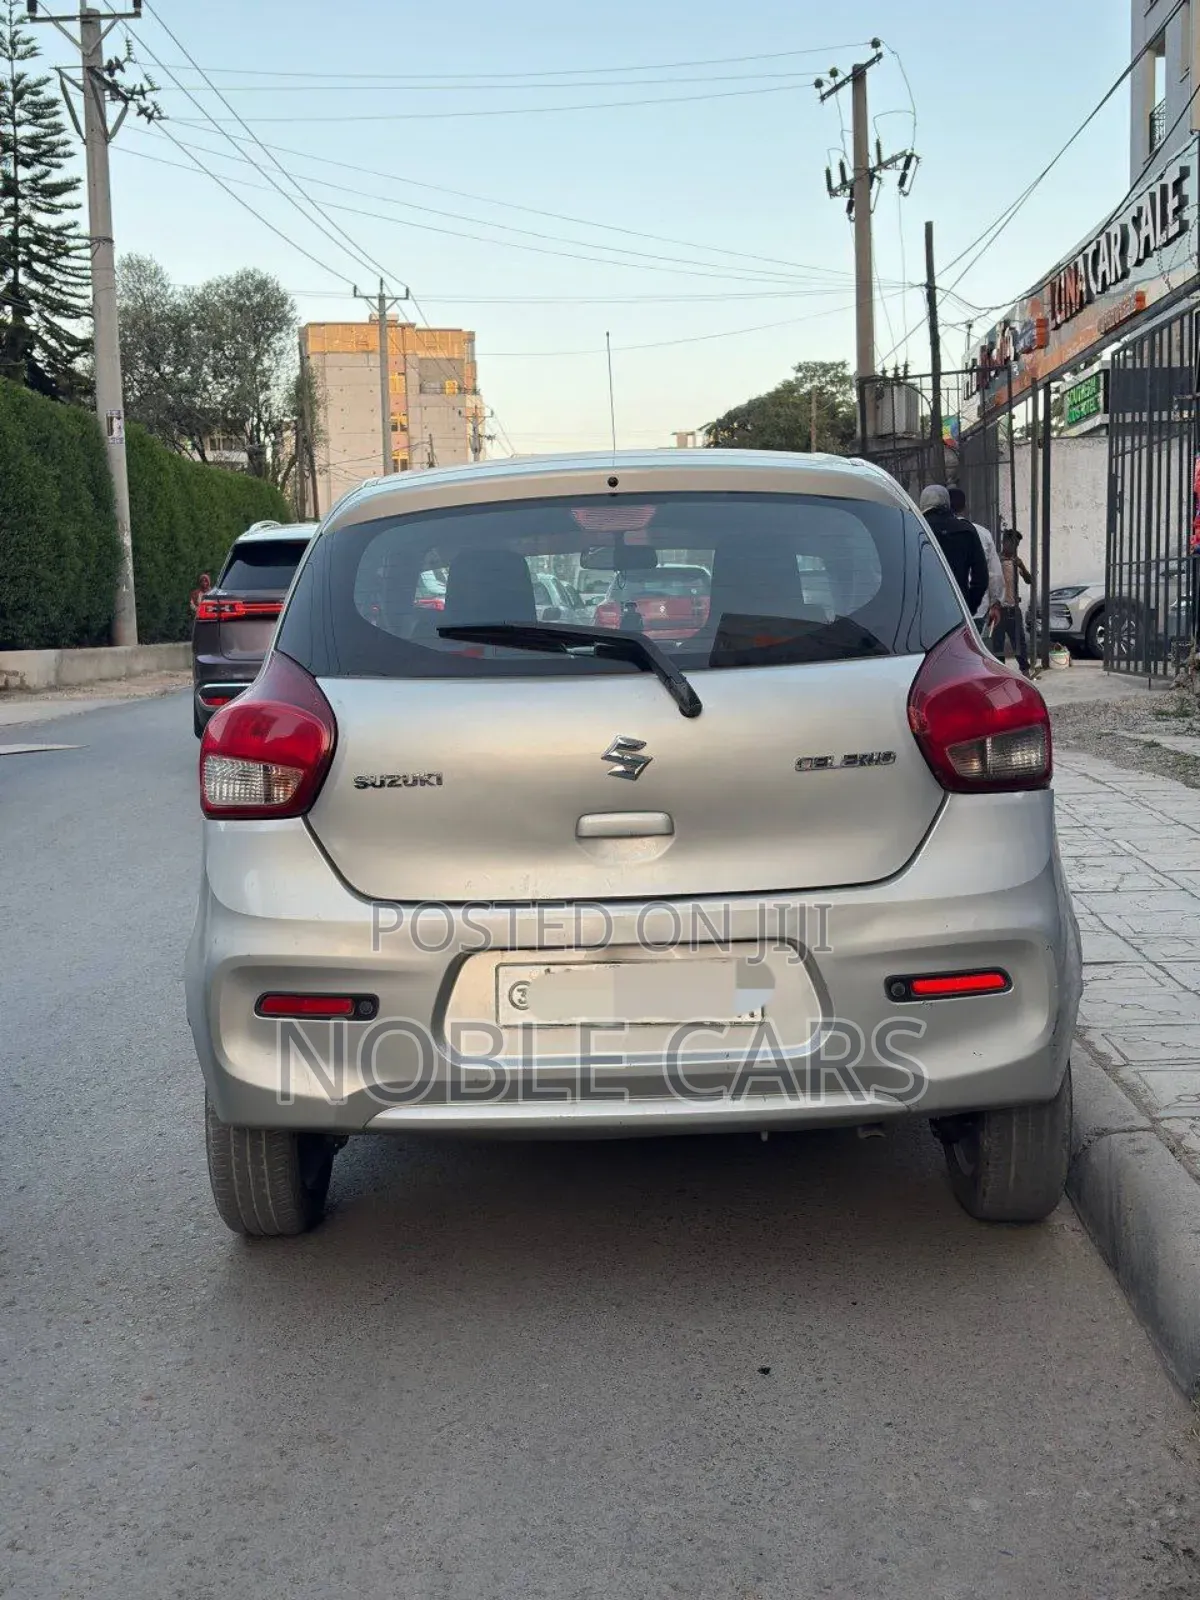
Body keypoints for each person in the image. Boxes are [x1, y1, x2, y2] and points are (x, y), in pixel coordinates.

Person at [918, 484, 990, 617]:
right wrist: (969, 606)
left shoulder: (916, 529)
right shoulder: (966, 530)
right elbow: (981, 577)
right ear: (948, 503)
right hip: (957, 610)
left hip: (923, 610)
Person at [948, 485, 1004, 635]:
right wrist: (995, 603)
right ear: (965, 507)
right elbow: (995, 574)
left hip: (945, 613)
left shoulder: (932, 532)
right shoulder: (982, 534)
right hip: (977, 609)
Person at [992, 529, 1033, 674]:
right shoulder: (995, 561)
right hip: (998, 610)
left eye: (1017, 544)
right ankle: (1000, 673)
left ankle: (1025, 672)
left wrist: (1022, 566)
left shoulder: (1016, 562)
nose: (1014, 547)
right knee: (997, 644)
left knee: (1019, 643)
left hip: (1013, 609)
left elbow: (1029, 581)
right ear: (1004, 542)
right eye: (1012, 543)